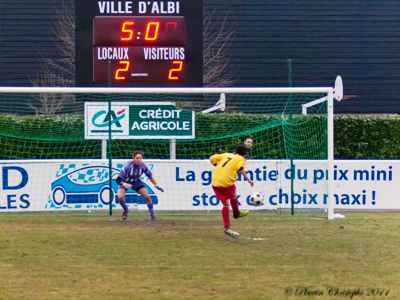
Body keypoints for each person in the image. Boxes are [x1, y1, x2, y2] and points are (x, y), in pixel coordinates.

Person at [210, 145, 254, 238]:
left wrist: (215, 165)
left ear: (235, 151)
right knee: (232, 195)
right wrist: (248, 179)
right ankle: (234, 217)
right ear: (245, 154)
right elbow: (241, 169)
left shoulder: (227, 154)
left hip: (215, 182)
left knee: (227, 202)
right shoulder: (241, 159)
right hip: (226, 183)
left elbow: (212, 158)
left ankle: (231, 221)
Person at [116, 150, 164, 221]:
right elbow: (118, 180)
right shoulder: (127, 166)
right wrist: (124, 184)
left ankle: (152, 215)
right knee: (120, 197)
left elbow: (150, 176)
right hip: (125, 182)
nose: (139, 160)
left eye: (140, 158)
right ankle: (126, 210)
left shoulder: (143, 166)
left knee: (147, 196)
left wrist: (156, 185)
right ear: (133, 158)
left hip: (136, 182)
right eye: (137, 158)